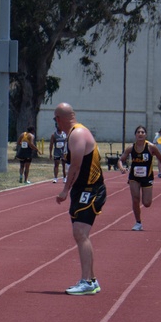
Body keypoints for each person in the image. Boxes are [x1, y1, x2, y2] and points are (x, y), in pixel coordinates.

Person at [54, 103, 107, 295]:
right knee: (80, 234)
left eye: (56, 119)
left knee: (80, 233)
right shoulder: (74, 133)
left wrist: (64, 190)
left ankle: (87, 281)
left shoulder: (77, 134)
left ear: (60, 118)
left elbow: (75, 166)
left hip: (90, 189)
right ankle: (91, 280)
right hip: (82, 189)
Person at [119, 125, 161, 231]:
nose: (140, 134)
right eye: (138, 132)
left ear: (145, 135)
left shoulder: (151, 147)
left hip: (147, 177)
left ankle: (145, 199)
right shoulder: (131, 148)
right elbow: (121, 159)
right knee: (135, 199)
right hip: (134, 177)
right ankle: (138, 223)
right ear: (135, 135)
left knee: (147, 203)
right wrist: (121, 168)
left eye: (142, 132)